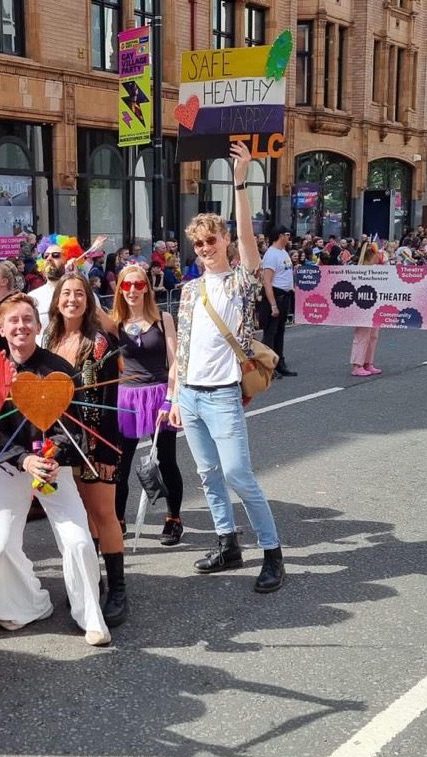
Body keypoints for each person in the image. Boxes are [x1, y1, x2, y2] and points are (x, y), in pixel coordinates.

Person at [167, 141, 285, 594]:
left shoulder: (240, 280)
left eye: (210, 241)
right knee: (208, 475)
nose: (204, 249)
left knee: (238, 474)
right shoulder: (190, 290)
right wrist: (175, 396)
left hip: (221, 395)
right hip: (192, 395)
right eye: (197, 244)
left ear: (224, 242)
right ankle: (227, 543)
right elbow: (183, 350)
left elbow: (250, 240)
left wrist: (239, 180)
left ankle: (272, 554)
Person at [0, 292, 111, 647]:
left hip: (54, 467)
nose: (21, 326)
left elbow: (75, 423)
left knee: (79, 541)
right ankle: (27, 604)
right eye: (13, 321)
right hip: (12, 468)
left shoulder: (58, 368)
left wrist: (54, 456)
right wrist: (24, 458)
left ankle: (89, 615)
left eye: (27, 320)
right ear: (2, 328)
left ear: (38, 326)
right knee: (4, 542)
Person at [44, 272, 129, 627]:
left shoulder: (100, 343)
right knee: (80, 519)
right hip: (62, 444)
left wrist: (110, 455)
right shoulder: (49, 338)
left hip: (95, 444)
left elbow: (112, 399)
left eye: (79, 293)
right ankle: (89, 580)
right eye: (67, 293)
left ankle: (119, 588)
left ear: (89, 300)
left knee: (103, 515)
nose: (72, 299)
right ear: (57, 300)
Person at [110, 264, 185, 545]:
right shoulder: (113, 321)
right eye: (126, 286)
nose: (132, 291)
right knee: (120, 464)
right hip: (126, 398)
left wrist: (171, 398)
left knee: (166, 460)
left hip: (158, 396)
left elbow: (175, 361)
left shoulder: (163, 318)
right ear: (119, 289)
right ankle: (117, 519)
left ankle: (173, 519)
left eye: (138, 285)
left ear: (147, 288)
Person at [259, 226, 297, 378]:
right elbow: (267, 281)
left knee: (280, 331)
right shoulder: (271, 255)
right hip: (275, 296)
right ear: (280, 236)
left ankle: (280, 363)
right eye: (287, 235)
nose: (289, 238)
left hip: (285, 295)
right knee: (270, 332)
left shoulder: (283, 252)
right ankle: (268, 366)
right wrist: (273, 304)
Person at [350, 242, 385, 376]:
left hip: (375, 306)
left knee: (373, 335)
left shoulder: (377, 269)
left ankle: (368, 362)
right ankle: (357, 364)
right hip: (362, 306)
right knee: (362, 335)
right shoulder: (360, 270)